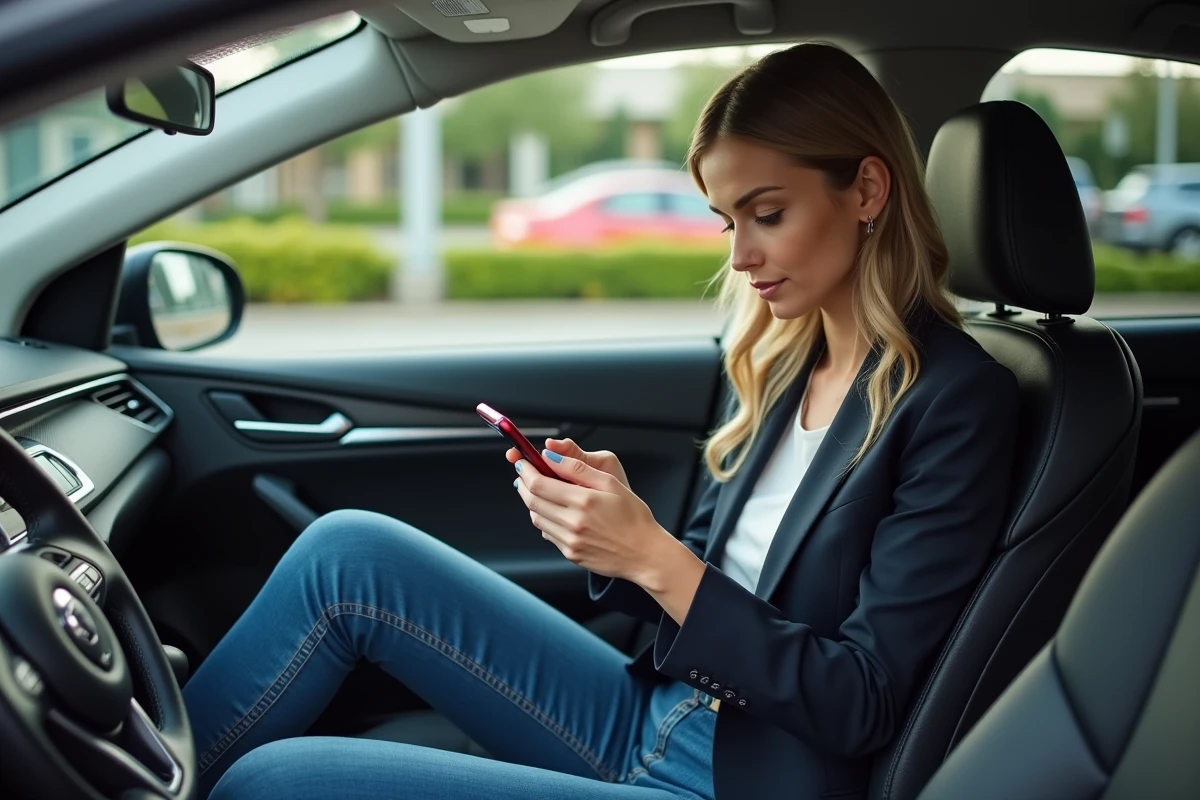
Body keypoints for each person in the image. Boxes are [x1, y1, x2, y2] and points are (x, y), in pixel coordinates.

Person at [182, 42, 1018, 800]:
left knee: (275, 782)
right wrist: (620, 533)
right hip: (652, 707)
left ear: (867, 190)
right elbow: (706, 578)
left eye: (768, 215)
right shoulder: (781, 357)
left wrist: (653, 558)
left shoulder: (954, 401)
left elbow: (863, 703)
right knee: (348, 552)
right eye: (729, 223)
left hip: (743, 779)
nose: (740, 257)